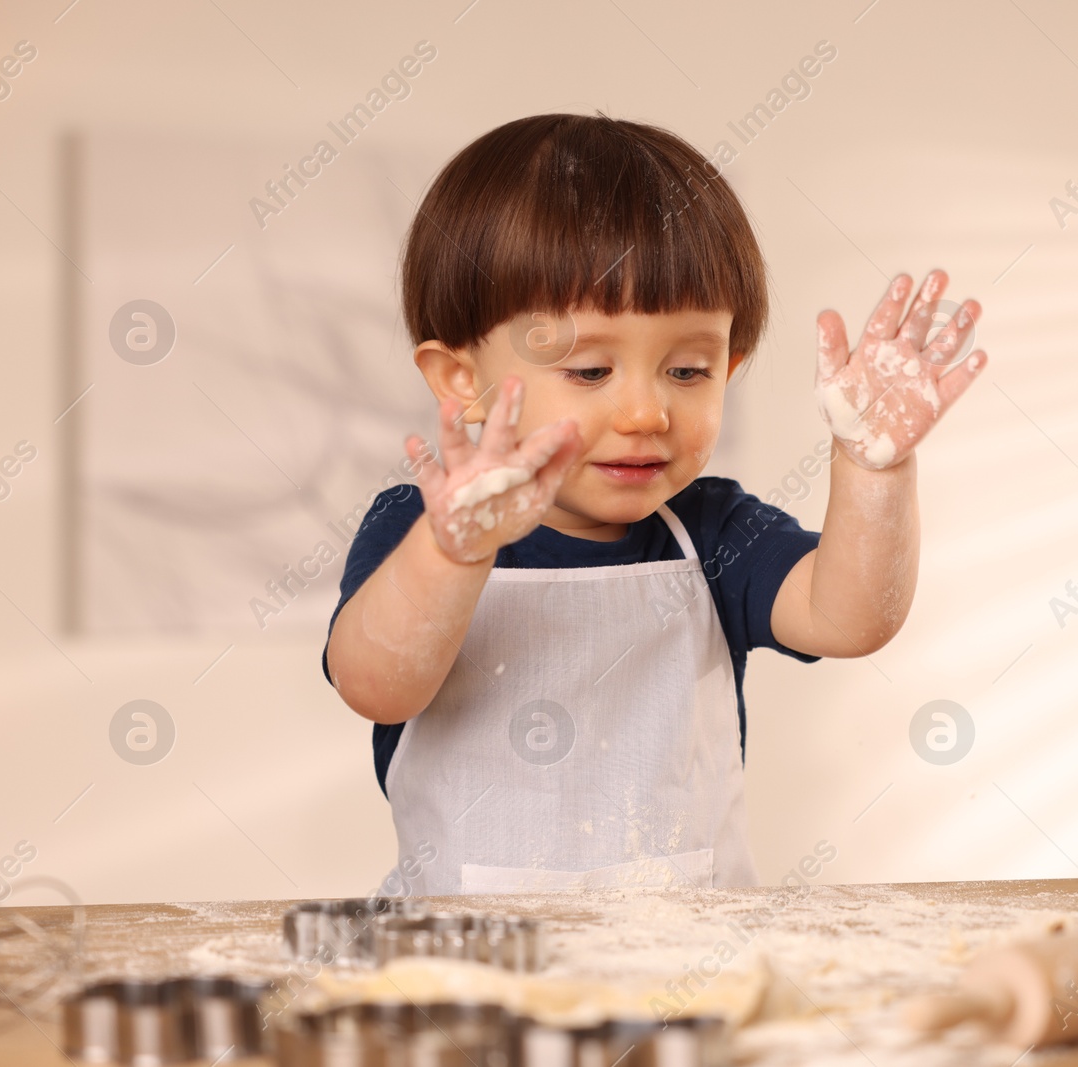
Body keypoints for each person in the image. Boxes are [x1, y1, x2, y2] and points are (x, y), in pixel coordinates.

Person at [322, 112, 987, 895]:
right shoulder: (418, 529)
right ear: (461, 379)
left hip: (687, 971)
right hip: (469, 976)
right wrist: (452, 554)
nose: (646, 413)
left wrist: (875, 468)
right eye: (592, 371)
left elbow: (851, 617)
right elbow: (377, 685)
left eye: (687, 371)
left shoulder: (710, 532)